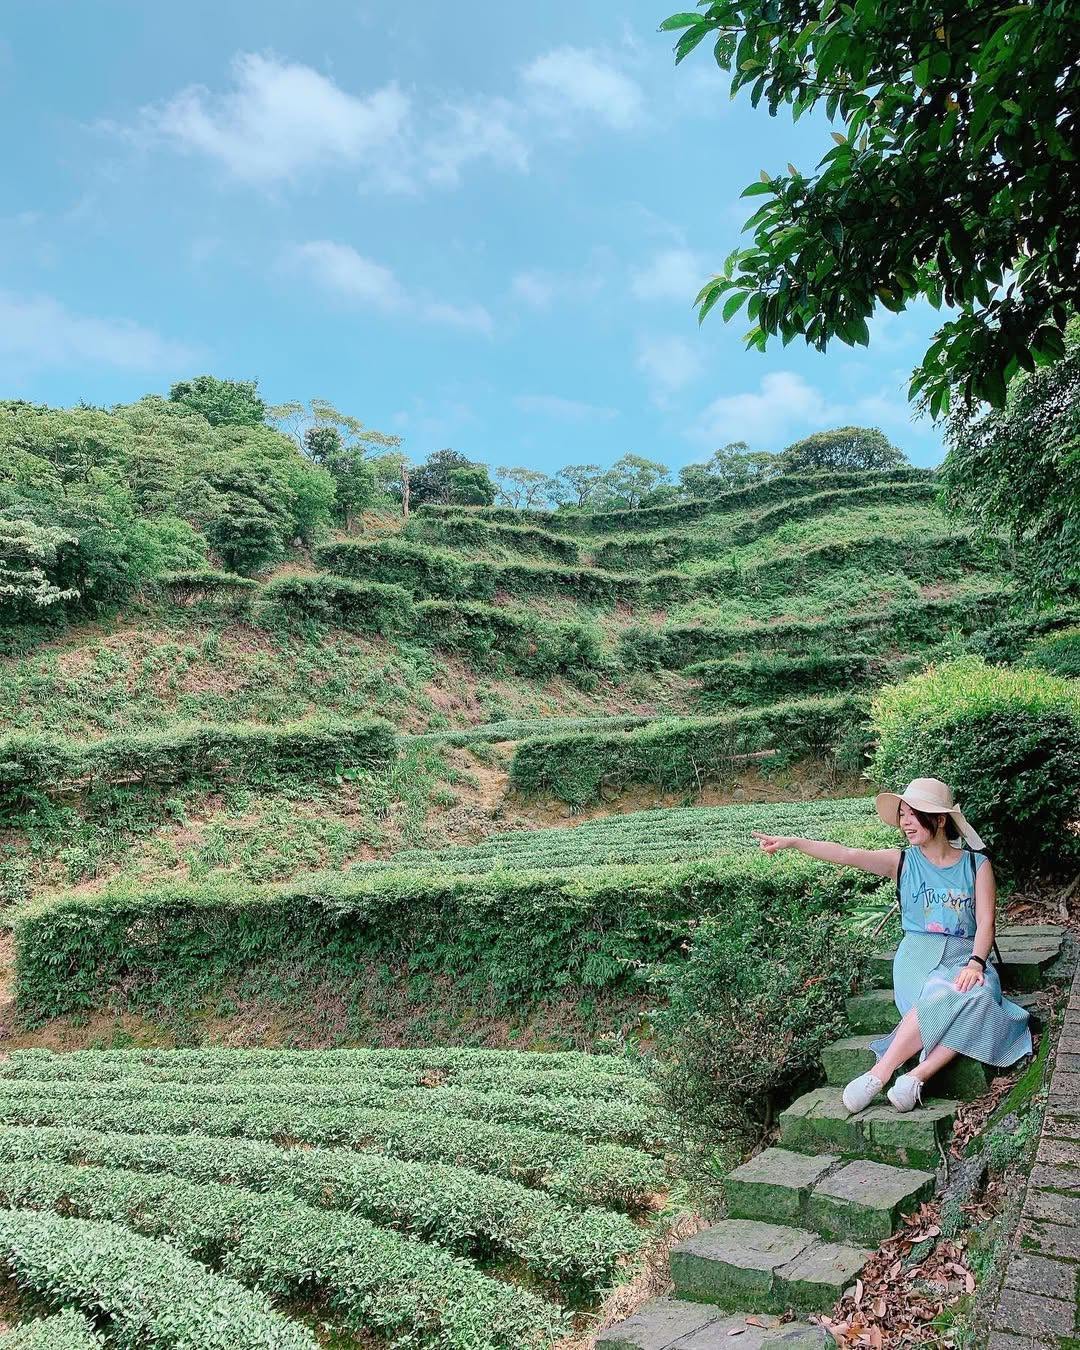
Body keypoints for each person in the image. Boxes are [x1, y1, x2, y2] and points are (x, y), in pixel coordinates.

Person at [752, 778, 1032, 1114]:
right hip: (918, 956)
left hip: (965, 954)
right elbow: (846, 855)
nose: (906, 822)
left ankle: (915, 1076)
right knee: (942, 992)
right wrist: (794, 842)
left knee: (982, 992)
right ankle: (880, 1074)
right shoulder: (902, 862)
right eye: (902, 815)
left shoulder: (976, 865)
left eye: (914, 814)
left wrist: (975, 963)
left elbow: (986, 921)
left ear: (940, 819)